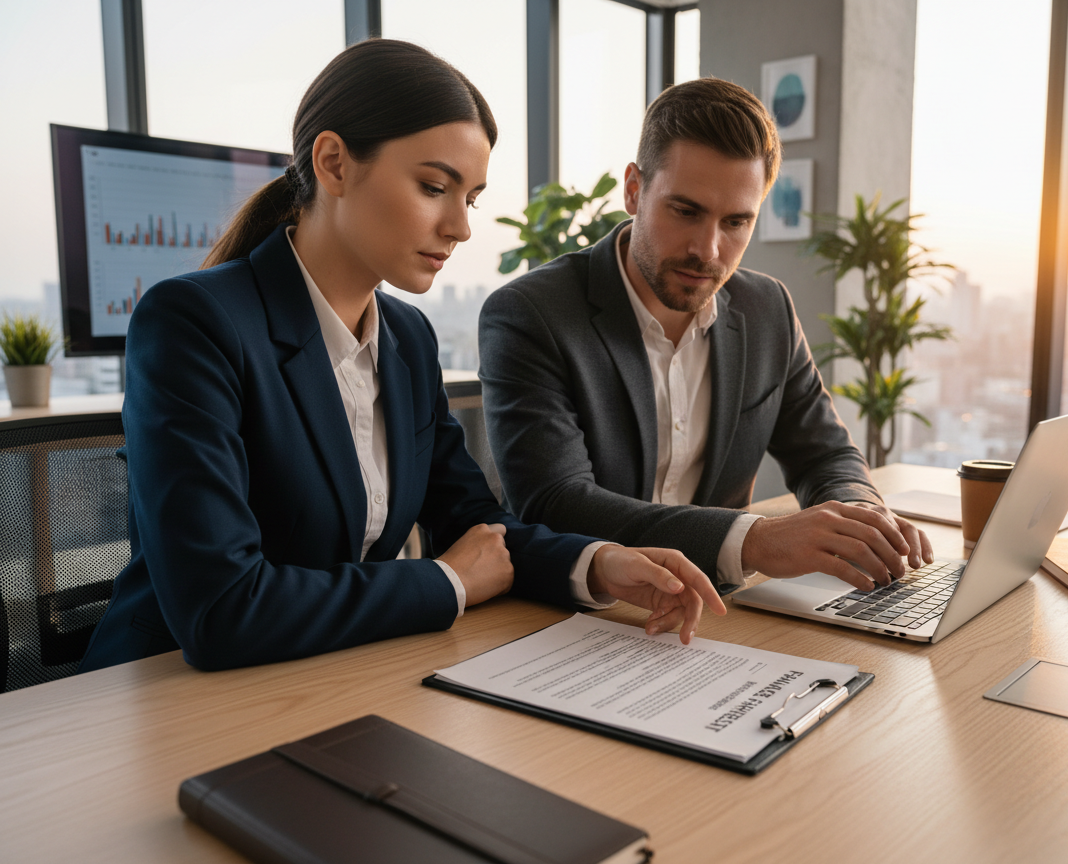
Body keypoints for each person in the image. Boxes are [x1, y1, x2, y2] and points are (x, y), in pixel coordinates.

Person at [80, 40, 725, 674]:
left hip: (330, 675)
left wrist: (598, 562)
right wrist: (447, 583)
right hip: (165, 697)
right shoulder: (195, 322)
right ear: (333, 163)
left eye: (468, 198)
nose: (461, 227)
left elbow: (473, 523)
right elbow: (221, 608)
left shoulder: (407, 340)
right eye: (433, 187)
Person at [478, 78, 933, 599]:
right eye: (685, 211)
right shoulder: (532, 314)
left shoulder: (769, 310)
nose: (708, 250)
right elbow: (557, 501)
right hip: (574, 614)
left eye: (737, 221)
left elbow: (825, 456)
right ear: (634, 189)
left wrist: (863, 518)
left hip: (718, 610)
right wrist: (753, 541)